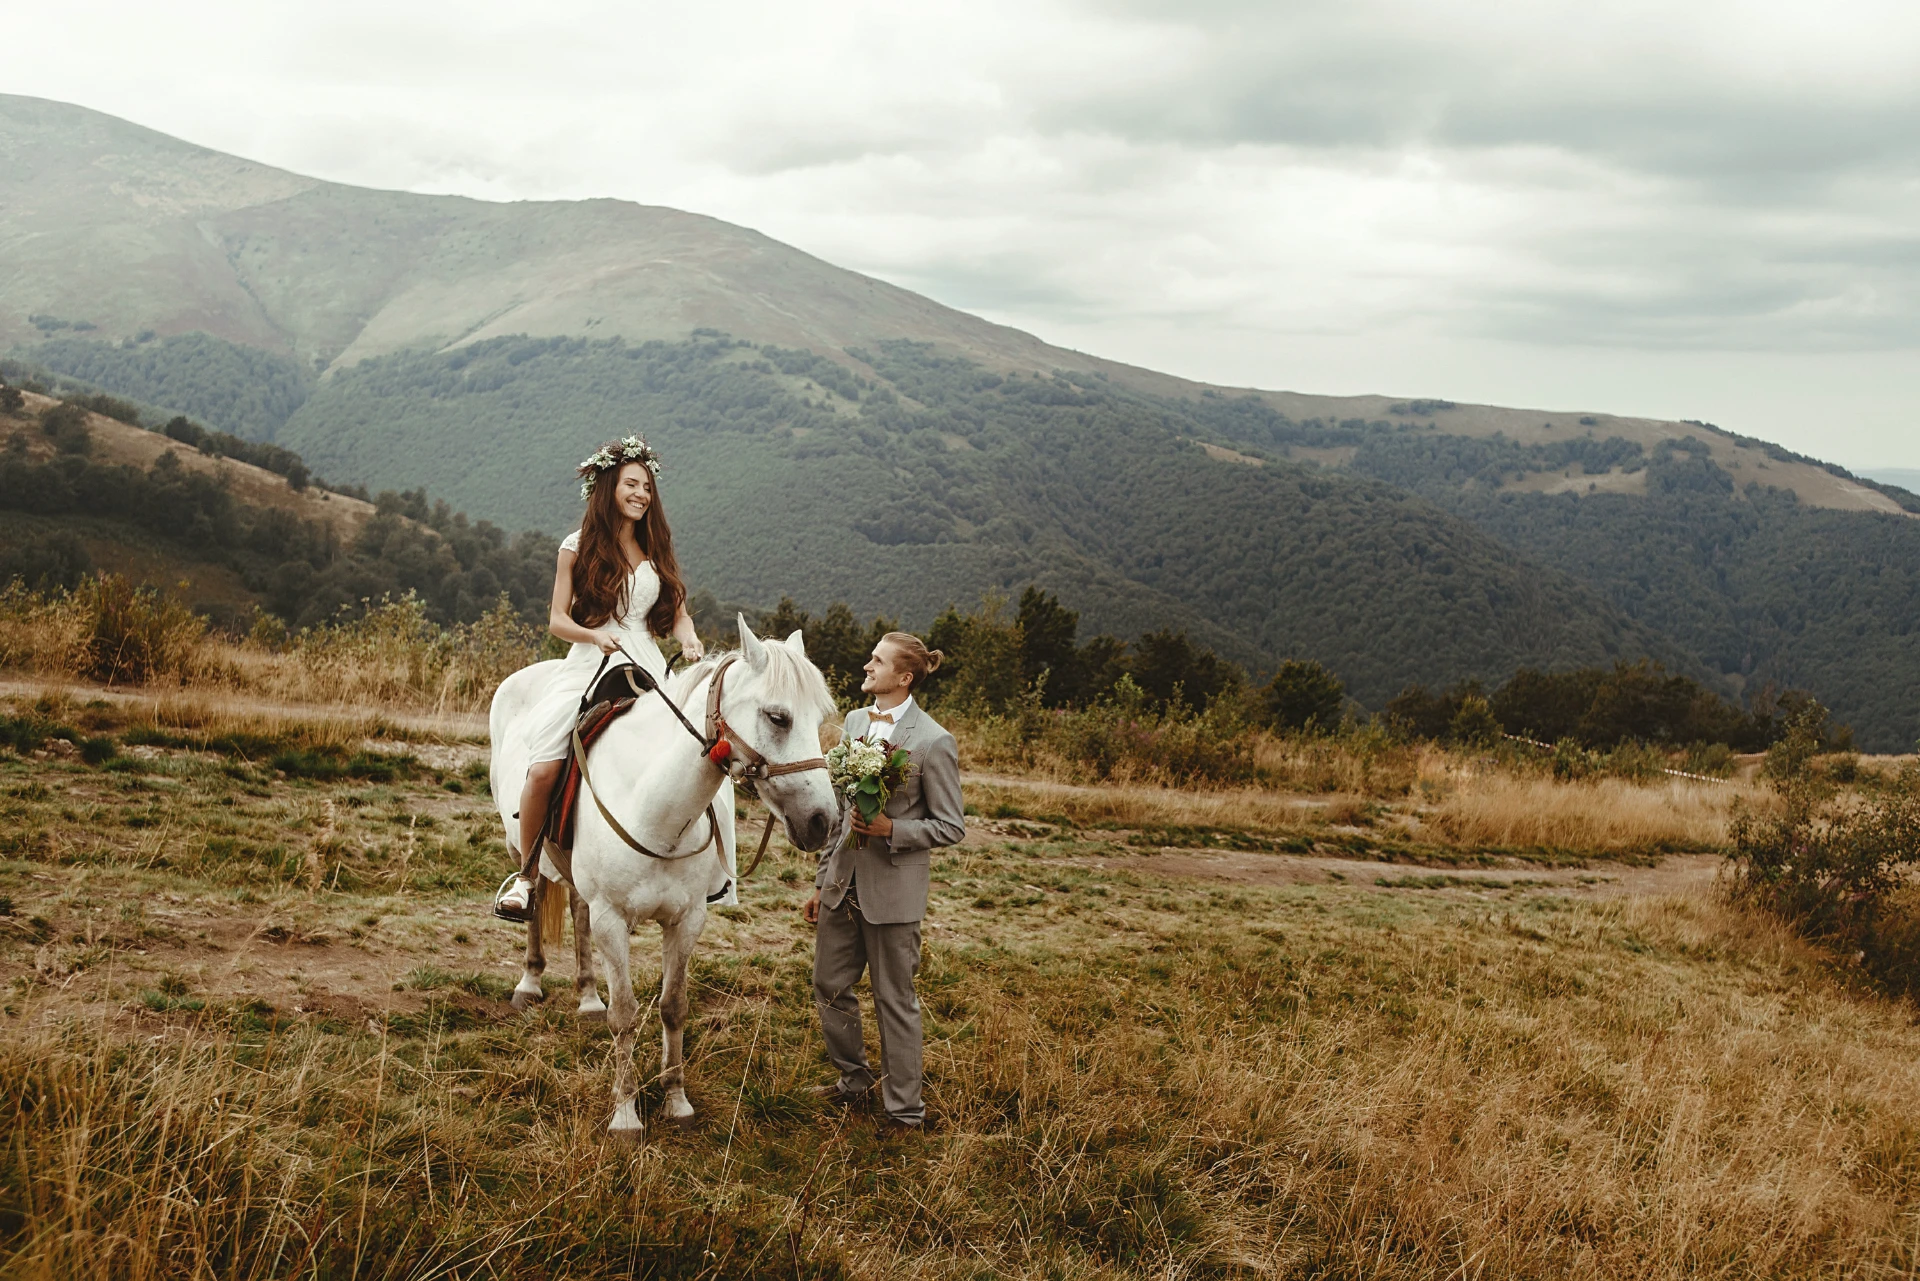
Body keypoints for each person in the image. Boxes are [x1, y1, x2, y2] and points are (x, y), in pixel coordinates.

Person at [493, 436, 704, 920]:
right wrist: (593, 638)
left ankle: (712, 872)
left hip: (646, 663)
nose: (642, 494)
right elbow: (556, 620)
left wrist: (688, 639)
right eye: (632, 484)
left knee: (699, 749)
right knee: (546, 759)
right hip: (591, 660)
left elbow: (677, 614)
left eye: (647, 486)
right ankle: (527, 876)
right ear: (609, 486)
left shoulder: (656, 546)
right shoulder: (576, 547)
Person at [804, 632, 965, 1127]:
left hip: (894, 892)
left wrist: (892, 828)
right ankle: (853, 1082)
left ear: (904, 677)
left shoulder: (934, 741)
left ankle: (904, 1111)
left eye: (878, 661)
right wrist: (819, 879)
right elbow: (842, 808)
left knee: (894, 999)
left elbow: (951, 825)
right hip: (841, 881)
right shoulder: (854, 721)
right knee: (828, 984)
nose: (867, 665)